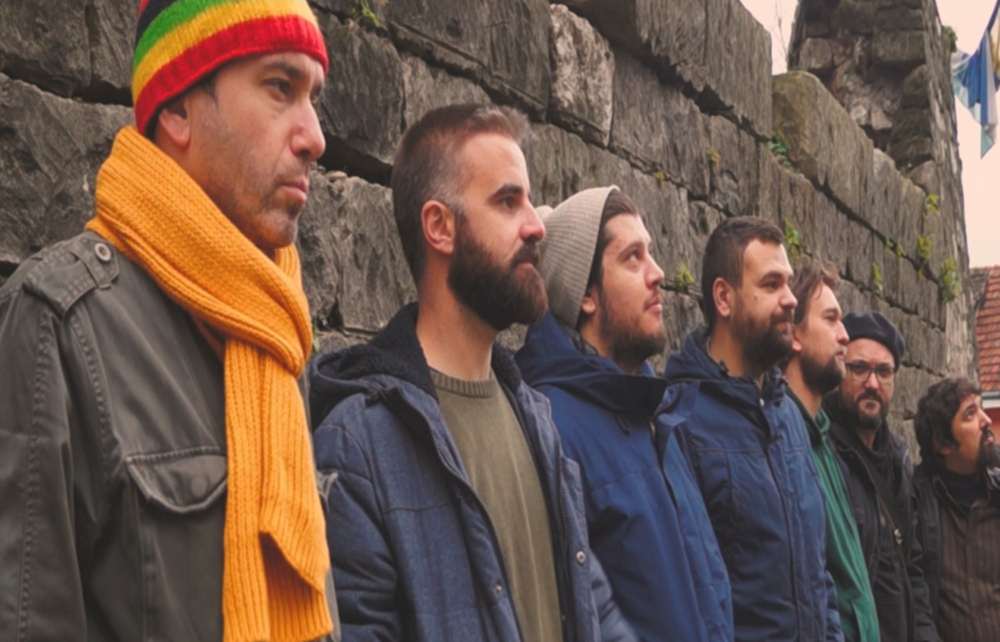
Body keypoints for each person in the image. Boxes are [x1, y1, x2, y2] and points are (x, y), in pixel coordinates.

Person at [0, 1, 336, 640]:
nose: (315, 137)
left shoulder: (275, 332)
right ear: (178, 108)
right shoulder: (58, 323)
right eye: (279, 87)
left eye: (313, 97)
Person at [309, 104, 634, 642]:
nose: (536, 225)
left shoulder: (534, 417)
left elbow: (591, 603)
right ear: (440, 226)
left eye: (528, 200)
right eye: (508, 201)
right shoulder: (358, 446)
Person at [515, 187, 733, 642]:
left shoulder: (656, 414)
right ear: (587, 294)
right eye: (633, 258)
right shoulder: (552, 427)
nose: (658, 274)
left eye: (650, 252)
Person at [661, 216, 843, 642]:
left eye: (788, 283)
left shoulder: (789, 417)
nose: (790, 299)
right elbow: (693, 592)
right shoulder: (681, 421)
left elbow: (819, 574)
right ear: (724, 298)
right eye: (771, 284)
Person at [823, 312, 939, 642]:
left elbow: (912, 568)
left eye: (884, 372)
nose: (872, 383)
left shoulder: (898, 460)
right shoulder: (822, 452)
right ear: (839, 368)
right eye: (859, 368)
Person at [783, 263, 880, 642]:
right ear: (794, 334)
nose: (844, 335)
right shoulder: (785, 441)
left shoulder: (823, 439)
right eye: (830, 319)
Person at [913, 377, 1000, 642]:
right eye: (970, 414)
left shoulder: (996, 497)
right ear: (943, 443)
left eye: (981, 408)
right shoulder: (916, 504)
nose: (986, 420)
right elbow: (916, 602)